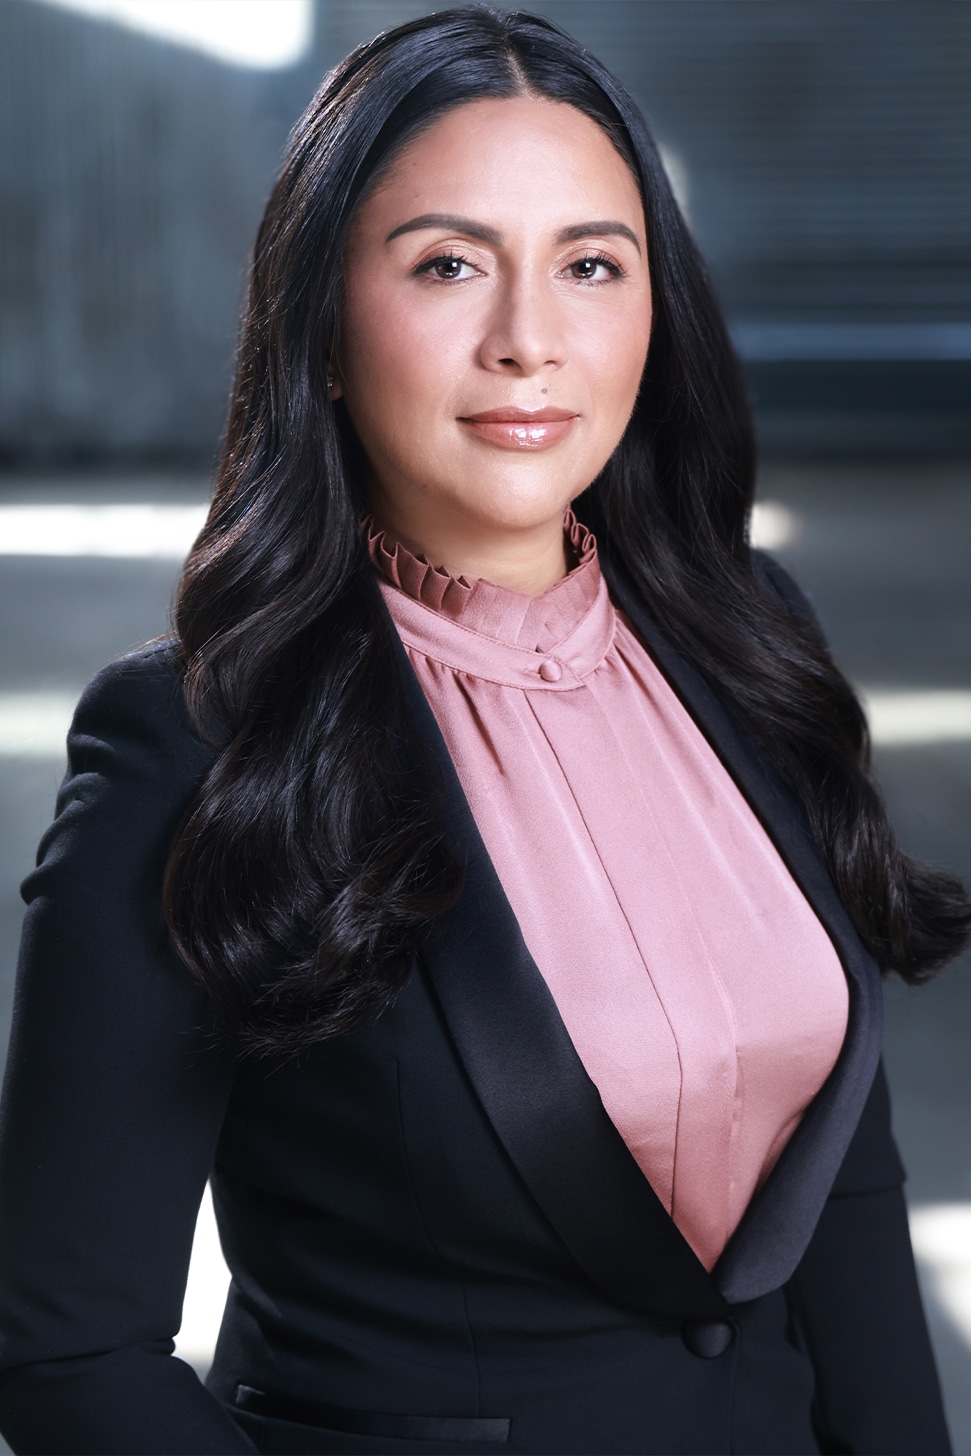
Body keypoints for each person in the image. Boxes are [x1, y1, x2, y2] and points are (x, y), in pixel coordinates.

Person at [0, 7, 968, 1454]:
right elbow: (68, 1357)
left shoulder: (746, 632)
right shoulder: (192, 744)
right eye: (450, 265)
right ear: (321, 327)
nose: (530, 340)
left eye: (590, 266)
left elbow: (841, 1188)